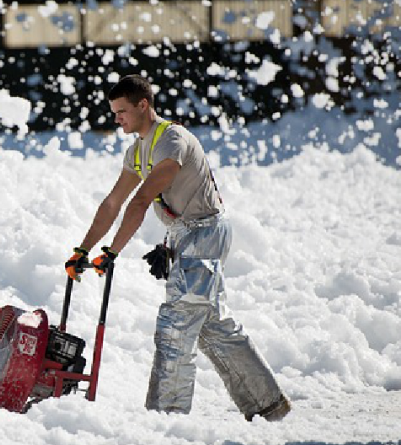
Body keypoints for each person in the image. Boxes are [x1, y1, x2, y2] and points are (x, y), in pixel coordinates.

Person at [64, 74, 291, 421]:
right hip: (185, 235)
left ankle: (165, 418)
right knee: (212, 325)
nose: (117, 119)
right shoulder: (137, 150)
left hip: (204, 233)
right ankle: (268, 404)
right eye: (114, 112)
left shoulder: (171, 141)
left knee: (176, 324)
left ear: (144, 105)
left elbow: (139, 201)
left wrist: (111, 253)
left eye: (122, 111)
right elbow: (113, 202)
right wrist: (82, 250)